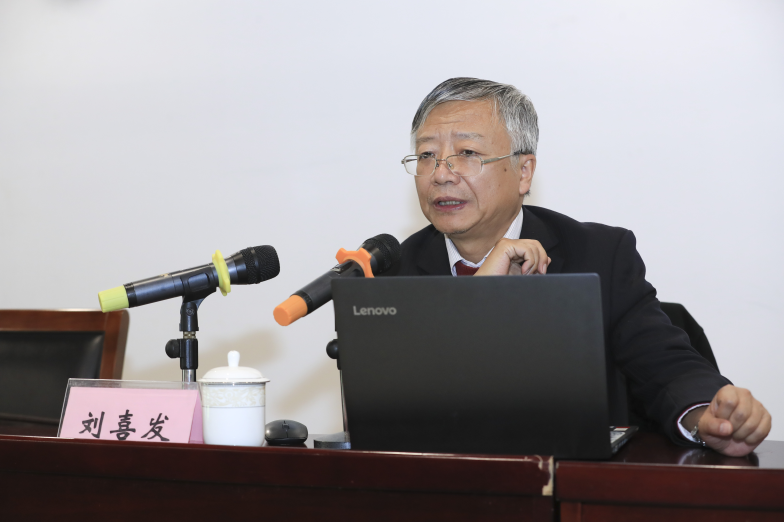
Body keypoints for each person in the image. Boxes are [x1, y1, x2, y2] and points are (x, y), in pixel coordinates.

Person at [383, 77, 770, 457]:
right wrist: (480, 296)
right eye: (427, 155)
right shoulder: (389, 273)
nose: (441, 174)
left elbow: (664, 364)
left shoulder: (599, 254)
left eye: (467, 152)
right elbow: (389, 407)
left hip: (572, 482)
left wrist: (707, 417)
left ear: (524, 172)